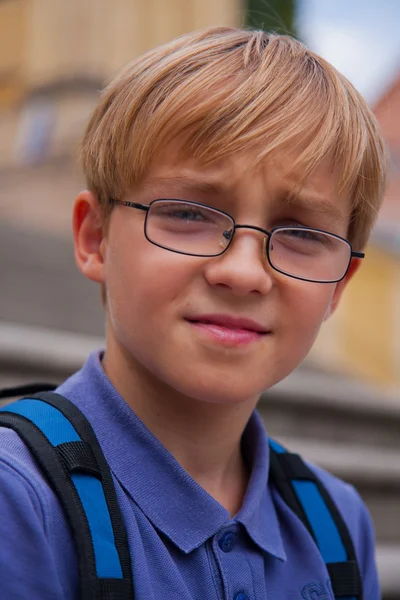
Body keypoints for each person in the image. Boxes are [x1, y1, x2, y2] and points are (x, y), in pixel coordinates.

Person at [0, 27, 387, 599]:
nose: (245, 272)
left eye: (300, 233)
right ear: (94, 238)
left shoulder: (337, 524)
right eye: (188, 213)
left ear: (338, 286)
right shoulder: (19, 499)